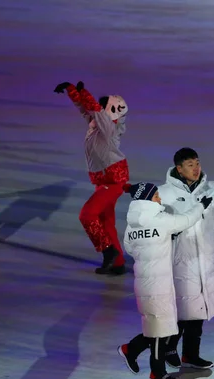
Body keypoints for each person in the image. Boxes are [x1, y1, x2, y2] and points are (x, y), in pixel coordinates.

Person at [117, 182, 212, 379]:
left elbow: (131, 249)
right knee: (161, 329)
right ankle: (157, 373)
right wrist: (201, 206)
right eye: (156, 195)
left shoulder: (132, 225)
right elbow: (186, 220)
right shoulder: (160, 220)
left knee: (159, 325)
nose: (160, 199)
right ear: (148, 199)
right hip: (158, 283)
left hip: (143, 282)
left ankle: (130, 349)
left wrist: (163, 240)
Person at [157, 147, 214, 369]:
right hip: (180, 259)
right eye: (190, 164)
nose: (196, 168)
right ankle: (168, 347)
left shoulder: (210, 189)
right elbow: (155, 221)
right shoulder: (165, 193)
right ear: (179, 168)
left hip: (205, 259)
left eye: (197, 163)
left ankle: (190, 354)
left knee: (199, 310)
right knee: (183, 310)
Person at [54, 80, 129, 274]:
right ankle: (117, 262)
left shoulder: (108, 127)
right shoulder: (99, 124)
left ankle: (108, 251)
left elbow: (94, 109)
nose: (101, 110)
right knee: (106, 221)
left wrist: (84, 92)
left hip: (112, 180)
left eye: (104, 107)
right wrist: (72, 92)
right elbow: (86, 110)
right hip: (104, 179)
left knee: (87, 215)